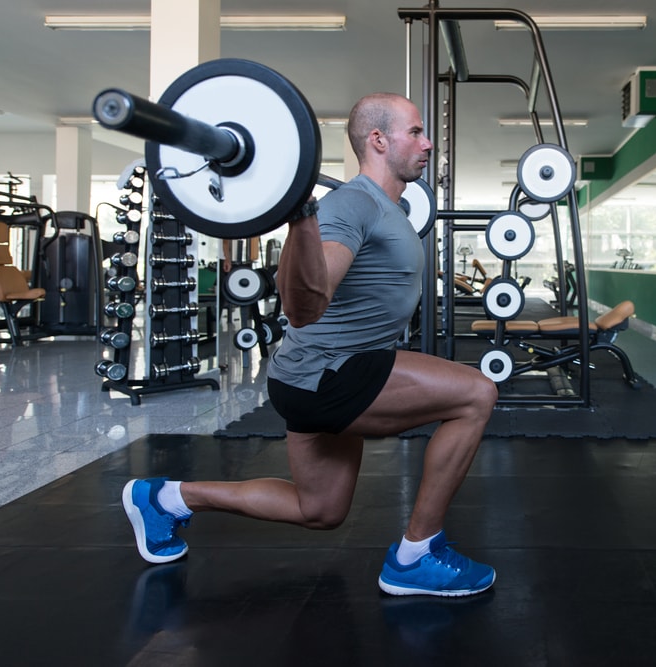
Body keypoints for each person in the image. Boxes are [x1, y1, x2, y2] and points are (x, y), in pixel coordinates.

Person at [122, 92, 499, 597]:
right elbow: (305, 303)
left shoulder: (380, 206)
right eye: (416, 132)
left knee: (318, 509)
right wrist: (301, 216)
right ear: (378, 140)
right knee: (476, 394)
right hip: (332, 374)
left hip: (305, 374)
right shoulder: (353, 204)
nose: (427, 143)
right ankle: (417, 554)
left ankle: (164, 499)